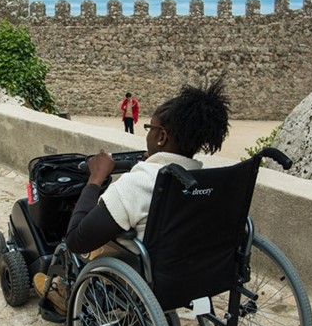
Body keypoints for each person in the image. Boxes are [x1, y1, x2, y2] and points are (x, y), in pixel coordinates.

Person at [34, 79, 231, 313]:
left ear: (161, 137)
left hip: (144, 274)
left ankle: (65, 292)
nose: (147, 134)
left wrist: (96, 178)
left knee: (95, 235)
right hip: (190, 271)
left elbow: (77, 240)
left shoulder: (141, 181)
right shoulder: (203, 180)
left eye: (150, 129)